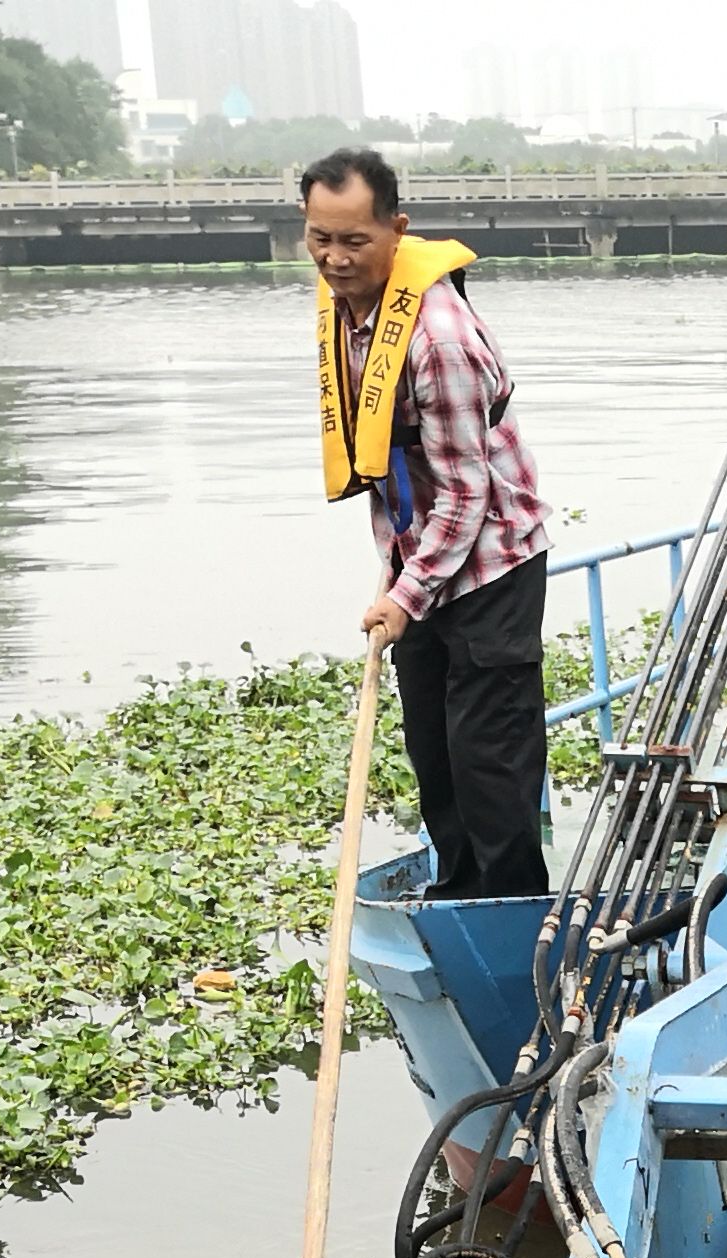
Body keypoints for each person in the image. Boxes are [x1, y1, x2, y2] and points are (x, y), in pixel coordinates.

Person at [303, 147, 551, 899]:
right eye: (320, 238)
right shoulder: (351, 314)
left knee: (488, 761)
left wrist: (404, 599)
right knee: (434, 754)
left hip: (490, 559)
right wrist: (399, 578)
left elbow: (466, 496)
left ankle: (508, 915)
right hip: (422, 555)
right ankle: (457, 894)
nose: (336, 259)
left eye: (355, 241)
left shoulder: (436, 338)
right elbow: (393, 464)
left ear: (397, 230)